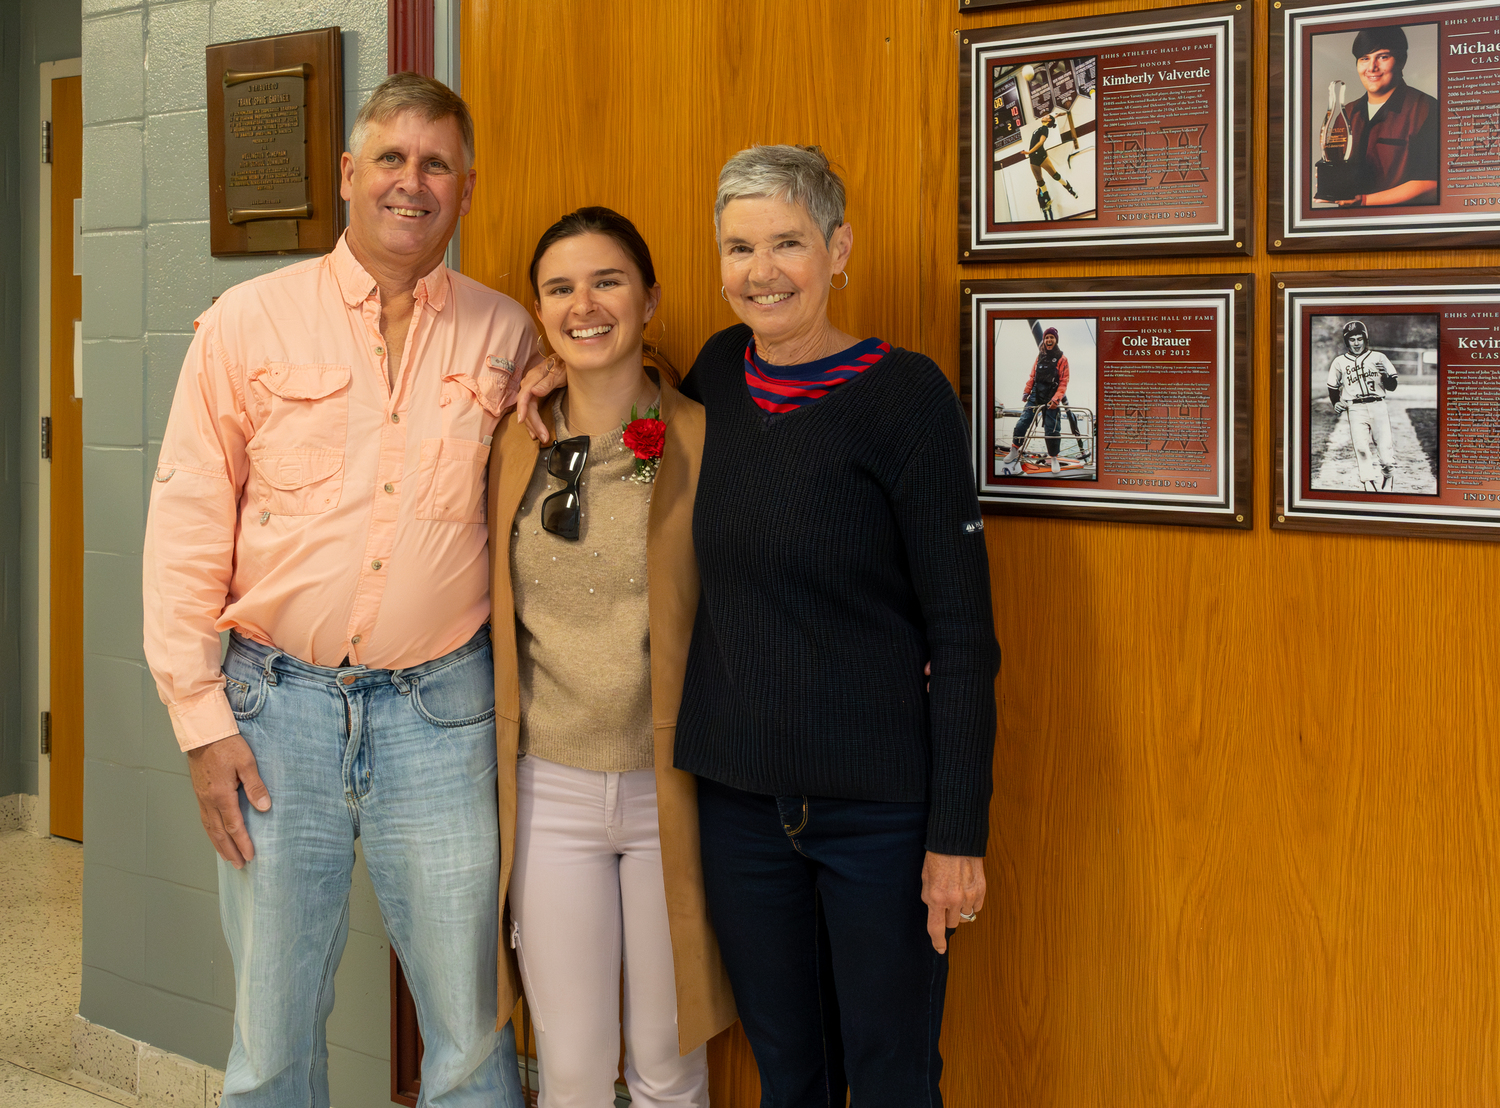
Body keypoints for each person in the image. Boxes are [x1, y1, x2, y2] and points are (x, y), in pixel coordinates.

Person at [143, 74, 533, 1108]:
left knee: (469, 1025)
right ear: (350, 174)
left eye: (438, 162)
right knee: (273, 1038)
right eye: (393, 159)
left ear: (467, 186)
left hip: (442, 715)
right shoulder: (245, 322)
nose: (415, 182)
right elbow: (185, 525)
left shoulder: (510, 336)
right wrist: (199, 719)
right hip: (275, 715)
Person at [487, 208, 735, 1107]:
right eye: (560, 288)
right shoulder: (509, 444)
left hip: (674, 789)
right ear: (540, 312)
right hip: (548, 788)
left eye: (608, 281)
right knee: (573, 1069)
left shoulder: (704, 437)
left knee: (669, 1066)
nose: (584, 305)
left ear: (650, 299)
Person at [1334, 25, 1438, 208]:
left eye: (1382, 57)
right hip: (1350, 228)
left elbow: (1432, 184)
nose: (1371, 68)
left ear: (1401, 61)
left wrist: (1363, 201)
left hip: (1404, 226)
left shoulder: (1426, 109)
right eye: (1364, 58)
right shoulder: (1346, 114)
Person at [1327, 319, 1399, 491]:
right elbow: (1332, 386)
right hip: (1355, 408)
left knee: (1385, 453)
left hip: (1378, 406)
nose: (1356, 343)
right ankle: (1368, 482)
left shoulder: (1379, 357)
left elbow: (1393, 386)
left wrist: (1386, 378)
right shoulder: (1339, 362)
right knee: (1361, 447)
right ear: (1347, 341)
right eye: (1352, 339)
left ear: (1365, 339)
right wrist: (1336, 402)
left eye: (1359, 338)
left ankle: (1388, 477)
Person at [1002, 326, 1070, 474]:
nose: (1049, 340)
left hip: (1051, 398)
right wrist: (1026, 392)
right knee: (1022, 422)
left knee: (1052, 430)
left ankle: (1053, 457)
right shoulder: (1039, 356)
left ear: (1056, 340)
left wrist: (1056, 400)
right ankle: (1014, 449)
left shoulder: (1062, 359)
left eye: (1051, 337)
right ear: (1044, 340)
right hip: (1035, 396)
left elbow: (1064, 382)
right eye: (1046, 337)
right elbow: (1032, 376)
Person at [1026, 112, 1079, 213]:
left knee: (1055, 176)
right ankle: (1047, 199)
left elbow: (1041, 142)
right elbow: (1052, 118)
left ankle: (1070, 189)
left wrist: (1029, 152)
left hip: (1040, 155)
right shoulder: (1043, 126)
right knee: (1039, 181)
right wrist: (1057, 115)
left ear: (1049, 120)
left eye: (1046, 116)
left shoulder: (1044, 129)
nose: (1044, 116)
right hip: (1033, 158)